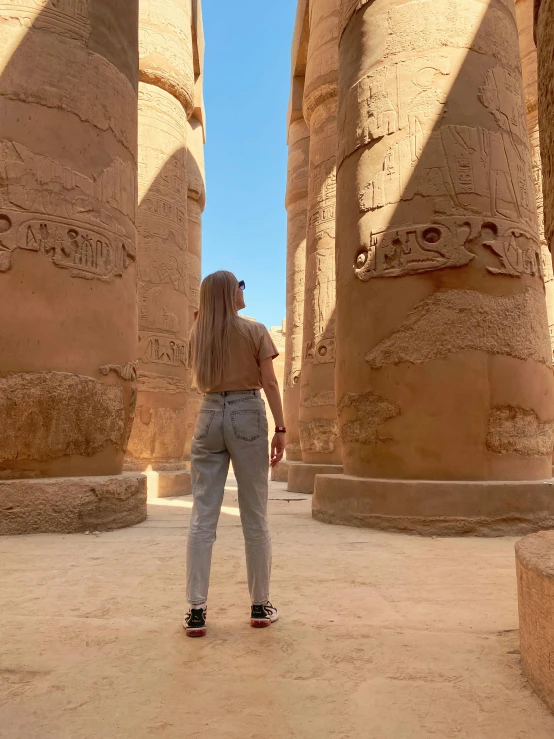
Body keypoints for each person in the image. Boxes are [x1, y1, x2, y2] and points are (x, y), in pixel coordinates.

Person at [184, 270, 286, 637]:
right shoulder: (254, 330)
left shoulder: (198, 336)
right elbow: (270, 382)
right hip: (247, 412)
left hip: (209, 412)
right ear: (230, 293)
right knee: (255, 515)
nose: (244, 290)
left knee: (202, 517)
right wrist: (281, 428)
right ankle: (260, 605)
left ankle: (196, 610)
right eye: (239, 285)